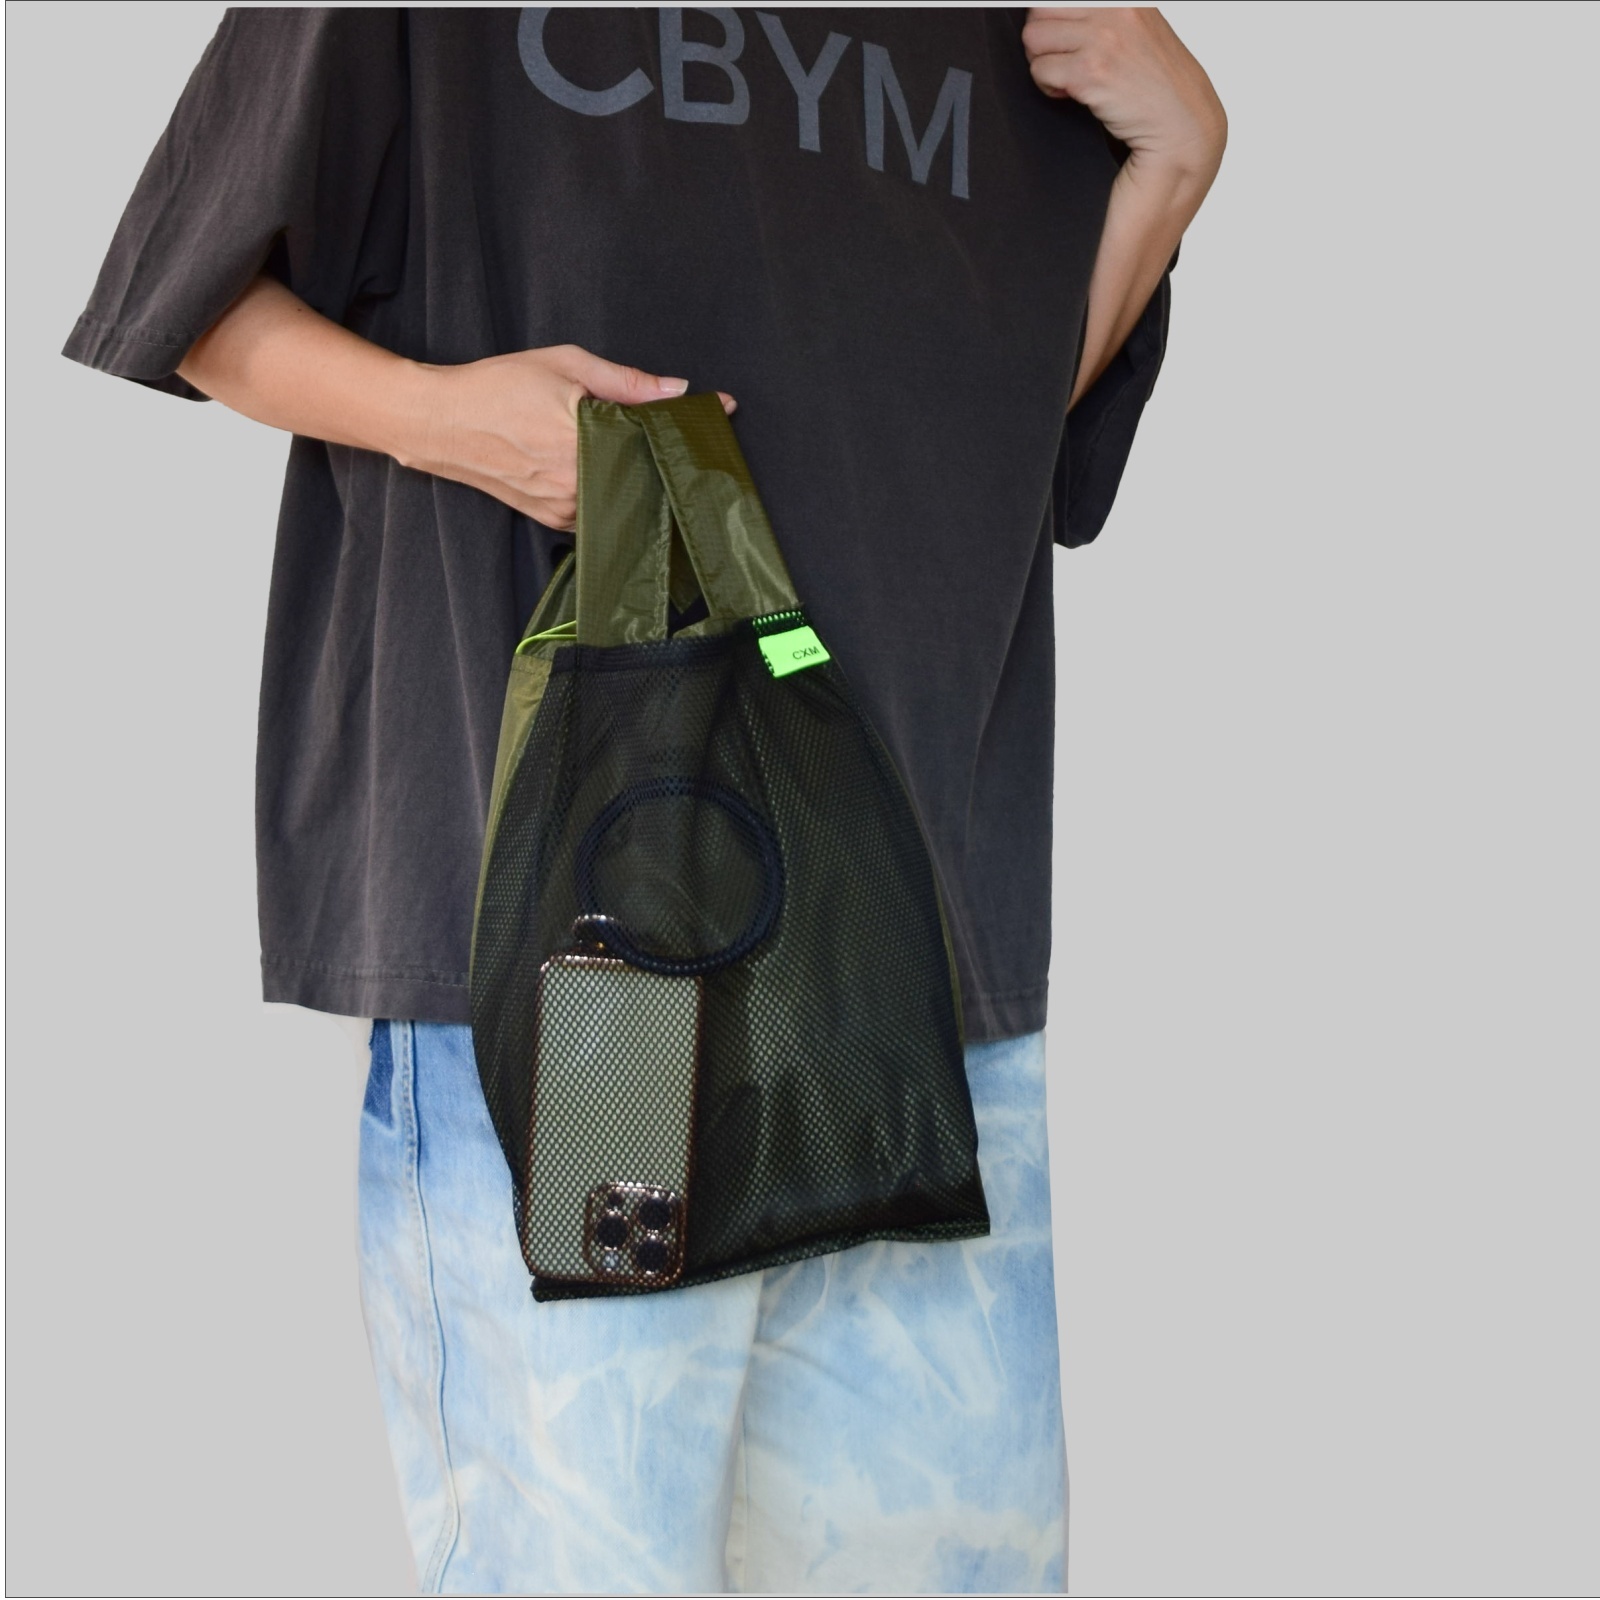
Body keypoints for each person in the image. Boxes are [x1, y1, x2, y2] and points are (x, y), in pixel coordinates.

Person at [64, 7, 1224, 1592]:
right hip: (588, 980)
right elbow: (194, 298)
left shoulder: (1015, 25)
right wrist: (457, 420)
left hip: (916, 984)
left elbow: (987, 429)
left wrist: (1173, 171)